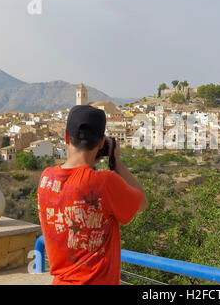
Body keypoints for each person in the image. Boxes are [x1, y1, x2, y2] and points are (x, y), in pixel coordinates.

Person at [37, 105, 148, 285]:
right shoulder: (105, 182)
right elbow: (142, 202)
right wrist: (116, 162)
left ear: (66, 137)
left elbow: (76, 182)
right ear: (102, 143)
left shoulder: (46, 178)